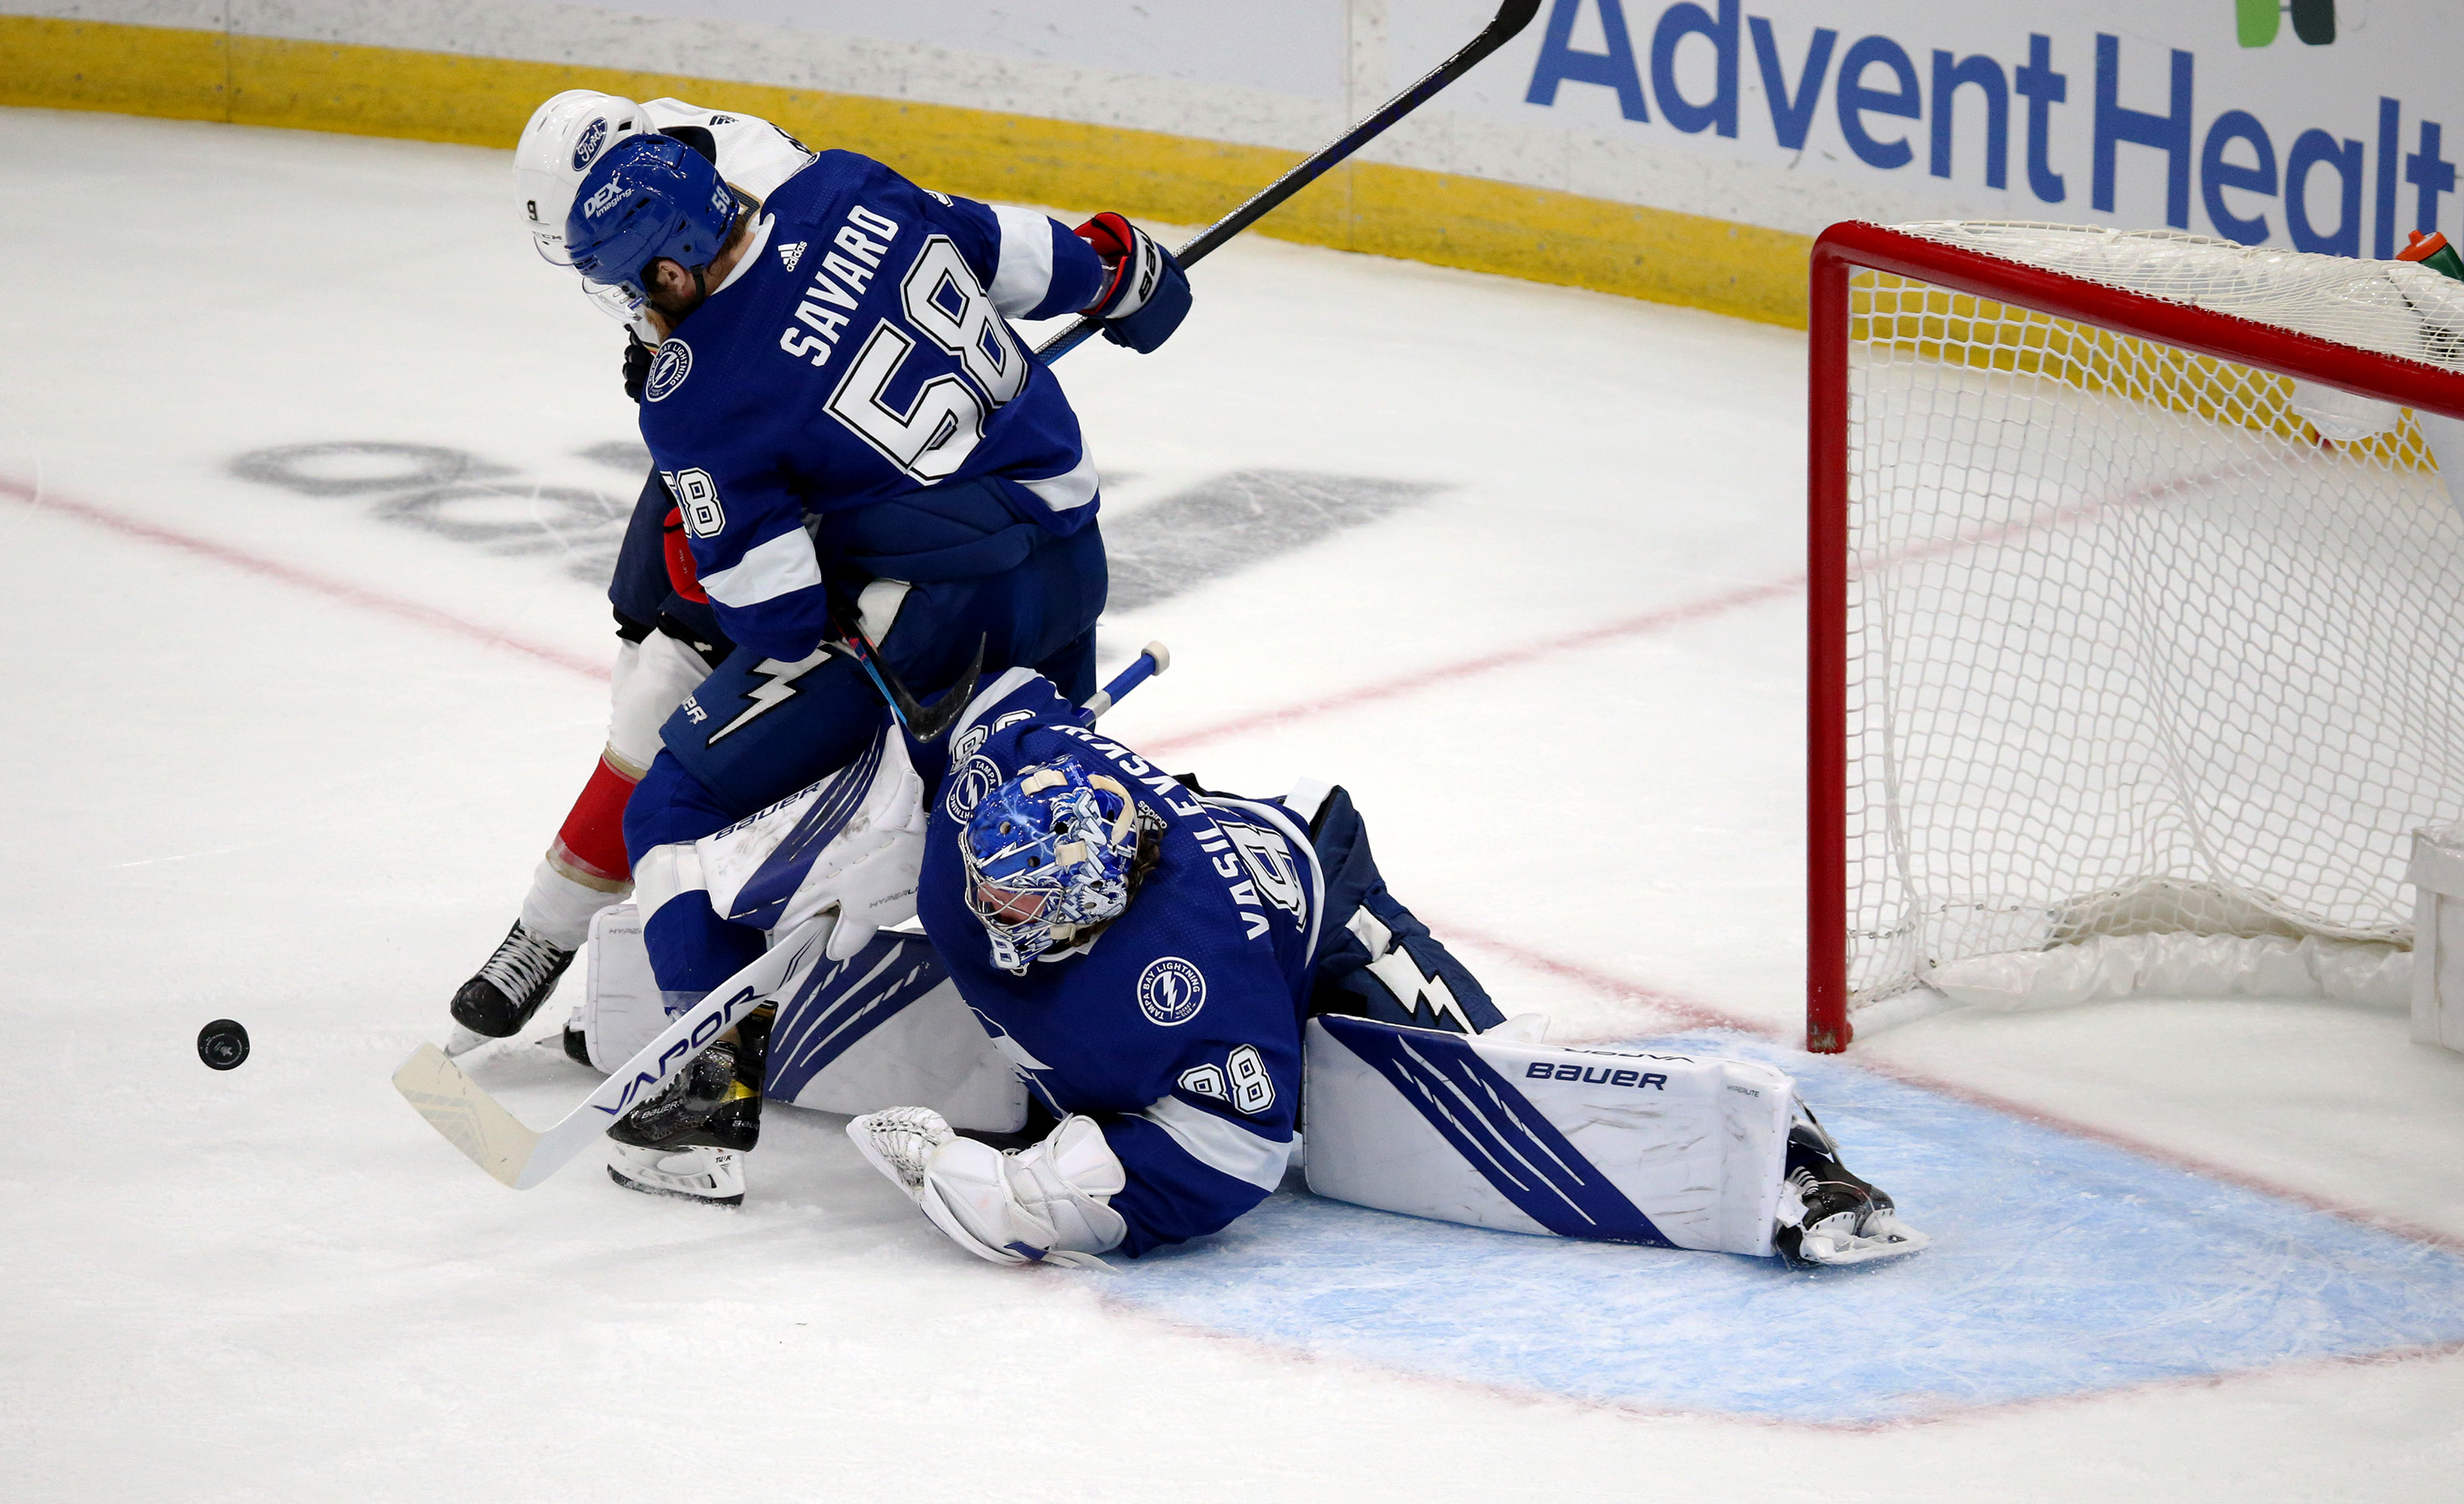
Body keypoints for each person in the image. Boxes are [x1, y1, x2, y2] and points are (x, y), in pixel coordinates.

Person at [610, 668, 1928, 1269]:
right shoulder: (1008, 796)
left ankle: (1791, 1169)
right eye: (994, 890)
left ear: (1104, 902)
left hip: (1317, 914)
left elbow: (1229, 1161)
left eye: (1036, 911)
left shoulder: (1196, 980)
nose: (1007, 918)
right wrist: (887, 846)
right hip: (1209, 852)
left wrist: (1016, 1194)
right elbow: (1005, 693)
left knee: (1440, 1079)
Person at [447, 91, 1190, 1047]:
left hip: (926, 602)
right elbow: (1000, 249)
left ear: (660, 261)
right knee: (1035, 797)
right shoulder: (838, 177)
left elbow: (781, 616)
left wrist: (719, 553)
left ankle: (698, 1065)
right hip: (1065, 547)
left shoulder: (695, 387)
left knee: (678, 762)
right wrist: (1113, 272)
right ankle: (1129, 1006)